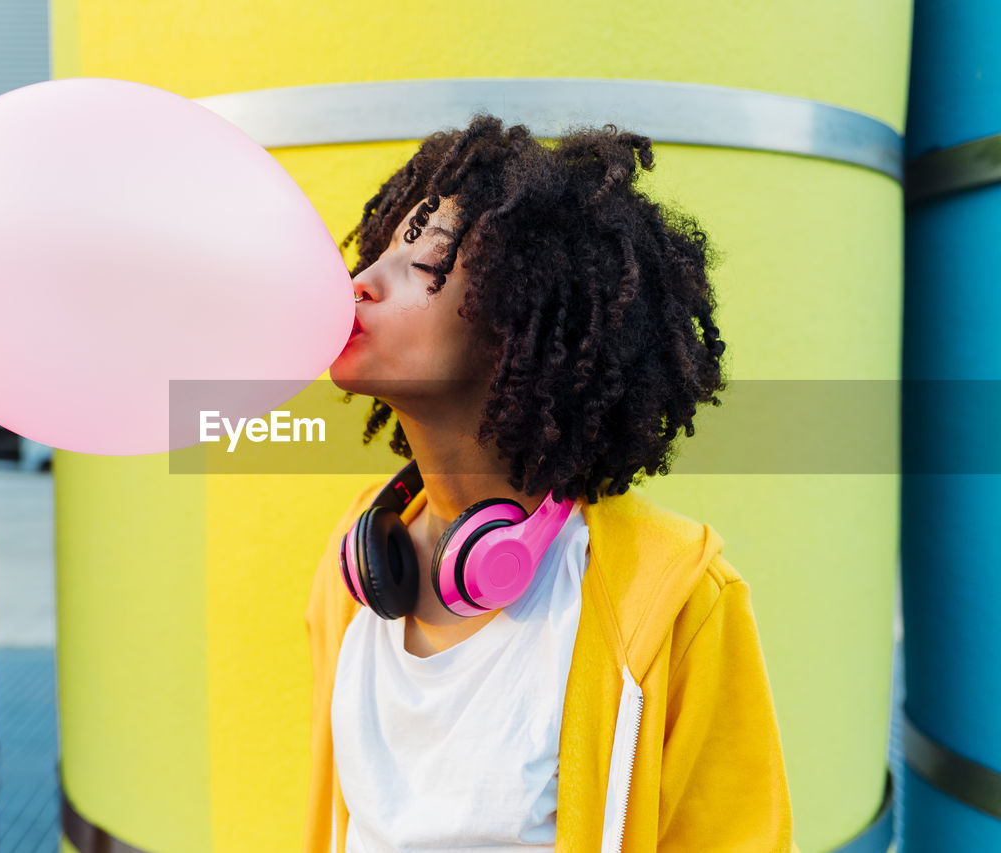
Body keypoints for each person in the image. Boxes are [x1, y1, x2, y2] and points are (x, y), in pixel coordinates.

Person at [305, 113, 799, 852]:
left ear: (516, 316)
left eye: (422, 262)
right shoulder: (356, 572)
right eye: (374, 256)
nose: (361, 285)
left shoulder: (677, 600)